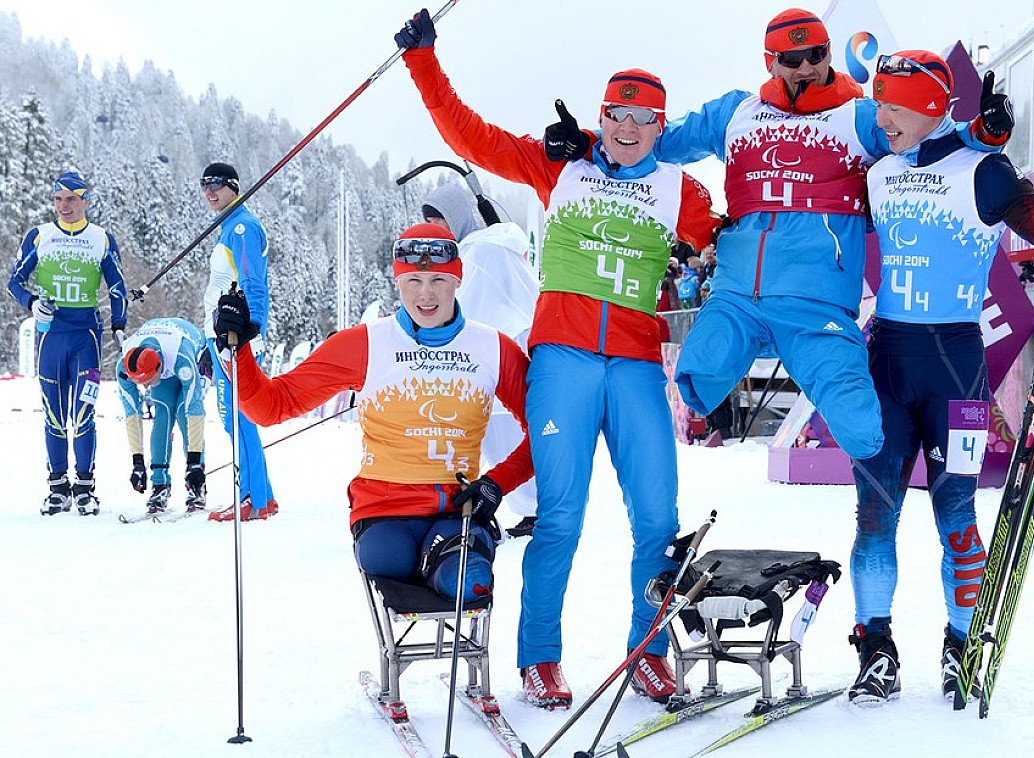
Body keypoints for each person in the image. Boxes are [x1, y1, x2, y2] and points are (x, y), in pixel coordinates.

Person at [396, 9, 720, 707]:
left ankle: (648, 651)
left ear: (662, 128)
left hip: (635, 365)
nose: (627, 130)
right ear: (600, 117)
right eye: (615, 115)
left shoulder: (684, 193)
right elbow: (472, 138)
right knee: (561, 516)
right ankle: (540, 657)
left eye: (643, 120)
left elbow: (738, 231)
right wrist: (424, 62)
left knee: (659, 523)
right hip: (563, 360)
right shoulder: (560, 166)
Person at [543, 8, 1012, 462]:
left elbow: (925, 134)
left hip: (816, 302)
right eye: (792, 59)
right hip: (738, 296)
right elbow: (652, 137)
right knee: (699, 370)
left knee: (861, 426)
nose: (807, 67)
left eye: (818, 54)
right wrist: (584, 143)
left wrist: (983, 131)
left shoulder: (859, 116)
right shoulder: (737, 112)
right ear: (769, 61)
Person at [846, 50, 1034, 706]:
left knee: (957, 515)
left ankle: (960, 642)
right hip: (885, 360)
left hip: (957, 368)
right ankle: (875, 647)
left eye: (893, 104)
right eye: (878, 101)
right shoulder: (876, 172)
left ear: (932, 106)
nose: (879, 115)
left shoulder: (986, 174)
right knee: (872, 517)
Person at [211, 223, 533, 609]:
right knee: (389, 559)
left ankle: (449, 574)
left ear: (457, 280)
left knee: (468, 580)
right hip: (383, 512)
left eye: (438, 280)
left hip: (456, 509)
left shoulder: (492, 347)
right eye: (413, 279)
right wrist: (240, 348)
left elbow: (548, 432)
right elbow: (270, 406)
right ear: (398, 282)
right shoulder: (363, 343)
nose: (426, 294)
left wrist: (497, 483)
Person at [421, 183, 541, 538]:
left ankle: (538, 509)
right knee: (489, 435)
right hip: (485, 353)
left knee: (508, 435)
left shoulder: (482, 250)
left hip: (500, 351)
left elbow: (469, 304)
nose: (435, 229)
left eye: (440, 220)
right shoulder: (470, 250)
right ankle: (527, 508)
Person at [7, 171, 128, 515]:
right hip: (50, 337)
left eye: (72, 200)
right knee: (53, 414)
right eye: (59, 199)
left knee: (84, 412)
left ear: (86, 201)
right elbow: (14, 281)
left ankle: (86, 486)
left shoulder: (101, 238)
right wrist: (31, 303)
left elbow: (117, 286)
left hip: (86, 336)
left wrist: (119, 325)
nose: (64, 206)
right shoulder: (39, 236)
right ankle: (58, 486)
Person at [198, 162, 279, 522]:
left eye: (217, 184)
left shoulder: (243, 227)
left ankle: (251, 499)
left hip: (235, 338)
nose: (210, 191)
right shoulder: (228, 226)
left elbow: (254, 282)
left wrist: (252, 326)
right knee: (235, 417)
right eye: (205, 185)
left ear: (234, 186)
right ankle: (263, 495)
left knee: (238, 418)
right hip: (218, 337)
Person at [116, 318, 209, 514]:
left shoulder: (181, 357)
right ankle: (159, 485)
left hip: (191, 352)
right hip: (162, 357)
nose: (146, 387)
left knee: (185, 414)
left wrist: (194, 463)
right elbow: (132, 415)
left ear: (158, 367)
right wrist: (137, 463)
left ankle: (196, 484)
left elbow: (195, 410)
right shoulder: (124, 367)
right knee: (163, 415)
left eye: (148, 381)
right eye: (142, 383)